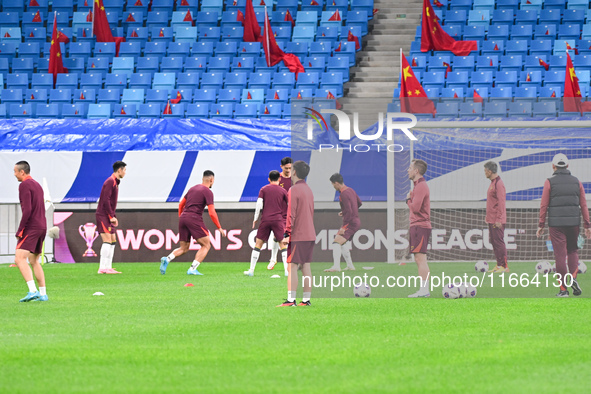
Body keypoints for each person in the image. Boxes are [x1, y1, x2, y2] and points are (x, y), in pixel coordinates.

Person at [536, 154, 591, 297]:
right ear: (568, 166)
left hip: (556, 225)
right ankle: (573, 279)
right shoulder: (577, 182)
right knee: (573, 251)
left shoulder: (549, 182)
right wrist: (587, 225)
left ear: (553, 166)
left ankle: (563, 290)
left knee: (560, 255)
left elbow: (544, 205)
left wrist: (541, 224)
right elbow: (584, 204)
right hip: (574, 223)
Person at [160, 170, 226, 275]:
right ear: (211, 180)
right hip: (194, 218)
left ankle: (167, 259)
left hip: (183, 218)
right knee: (206, 245)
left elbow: (181, 204)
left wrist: (182, 218)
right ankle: (192, 269)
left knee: (184, 248)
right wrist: (219, 227)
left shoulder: (192, 188)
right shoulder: (208, 192)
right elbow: (212, 212)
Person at [278, 161, 315, 307]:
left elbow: (290, 215)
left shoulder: (294, 190)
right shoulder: (308, 190)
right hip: (309, 233)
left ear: (294, 172)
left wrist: (287, 233)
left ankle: (290, 300)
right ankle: (306, 300)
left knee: (292, 266)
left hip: (298, 234)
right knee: (306, 267)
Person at [13, 161, 48, 302]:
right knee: (34, 260)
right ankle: (43, 294)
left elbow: (27, 210)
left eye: (15, 171)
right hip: (42, 225)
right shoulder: (37, 185)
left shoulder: (24, 185)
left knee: (19, 258)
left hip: (32, 226)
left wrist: (20, 229)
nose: (14, 174)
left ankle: (32, 291)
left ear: (22, 172)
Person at [245, 170, 289, 276]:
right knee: (283, 245)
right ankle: (287, 271)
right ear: (279, 179)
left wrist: (255, 218)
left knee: (258, 244)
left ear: (268, 179)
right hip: (278, 220)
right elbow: (289, 204)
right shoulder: (283, 191)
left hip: (266, 219)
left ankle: (251, 270)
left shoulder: (264, 189)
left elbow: (259, 204)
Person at [324, 173, 362, 272]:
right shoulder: (351, 190)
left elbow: (349, 211)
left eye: (333, 184)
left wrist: (343, 227)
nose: (333, 186)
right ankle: (350, 266)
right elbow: (359, 203)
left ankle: (336, 267)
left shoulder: (343, 194)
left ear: (336, 183)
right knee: (343, 243)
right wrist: (344, 211)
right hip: (355, 220)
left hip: (350, 223)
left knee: (336, 243)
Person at [406, 159, 432, 298]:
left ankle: (424, 290)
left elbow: (415, 208)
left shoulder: (421, 186)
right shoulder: (418, 186)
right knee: (419, 259)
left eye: (410, 168)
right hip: (418, 226)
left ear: (416, 171)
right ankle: (423, 289)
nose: (408, 170)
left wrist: (408, 200)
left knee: (420, 259)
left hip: (420, 225)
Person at [96, 161, 126, 274]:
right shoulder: (110, 182)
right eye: (124, 170)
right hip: (103, 215)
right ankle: (102, 267)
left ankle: (108, 267)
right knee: (107, 240)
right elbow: (105, 200)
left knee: (113, 240)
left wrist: (114, 216)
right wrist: (110, 216)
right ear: (119, 170)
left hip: (108, 215)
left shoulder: (115, 182)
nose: (125, 173)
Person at [268, 156, 292, 270]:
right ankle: (274, 259)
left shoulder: (294, 179)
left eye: (290, 168)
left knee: (281, 237)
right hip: (279, 213)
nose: (288, 170)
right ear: (281, 167)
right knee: (279, 236)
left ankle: (274, 259)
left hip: (291, 213)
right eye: (286, 168)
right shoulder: (277, 179)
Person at [484, 161, 508, 273]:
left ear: (489, 171)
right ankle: (499, 265)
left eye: (485, 171)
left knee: (499, 242)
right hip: (492, 218)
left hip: (497, 220)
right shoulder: (493, 182)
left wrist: (499, 219)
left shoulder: (499, 183)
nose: (484, 173)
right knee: (494, 242)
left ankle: (504, 266)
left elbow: (501, 202)